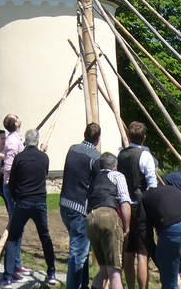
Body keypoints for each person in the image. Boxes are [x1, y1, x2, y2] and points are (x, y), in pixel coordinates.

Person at [2, 129, 58, 287]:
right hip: (39, 202)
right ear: (38, 141)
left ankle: (8, 277)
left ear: (25, 142)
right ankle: (51, 272)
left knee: (13, 238)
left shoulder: (19, 158)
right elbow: (43, 173)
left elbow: (12, 181)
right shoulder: (44, 158)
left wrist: (15, 198)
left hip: (23, 201)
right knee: (45, 237)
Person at [141, 178, 181, 289]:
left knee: (170, 283)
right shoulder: (172, 190)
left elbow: (144, 231)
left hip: (173, 228)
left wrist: (158, 258)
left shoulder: (143, 198)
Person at [59, 122, 102, 289]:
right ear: (98, 139)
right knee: (78, 253)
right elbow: (97, 184)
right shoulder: (95, 158)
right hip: (80, 208)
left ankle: (83, 285)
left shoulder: (72, 149)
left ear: (84, 134)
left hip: (65, 203)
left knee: (81, 249)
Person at [117, 121, 158, 289]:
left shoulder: (120, 154)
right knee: (142, 253)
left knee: (128, 250)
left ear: (128, 137)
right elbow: (152, 184)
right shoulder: (145, 156)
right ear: (144, 138)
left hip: (123, 205)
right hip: (140, 207)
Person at [85, 152, 132, 289]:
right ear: (115, 167)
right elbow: (124, 201)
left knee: (104, 271)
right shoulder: (117, 176)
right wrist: (127, 227)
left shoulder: (94, 178)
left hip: (90, 219)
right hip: (108, 217)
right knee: (115, 272)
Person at [2, 113, 26, 277]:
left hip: (15, 186)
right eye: (16, 117)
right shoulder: (12, 142)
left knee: (19, 226)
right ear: (15, 124)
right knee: (16, 226)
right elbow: (9, 166)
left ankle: (16, 264)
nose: (18, 117)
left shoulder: (17, 139)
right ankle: (13, 266)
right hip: (13, 187)